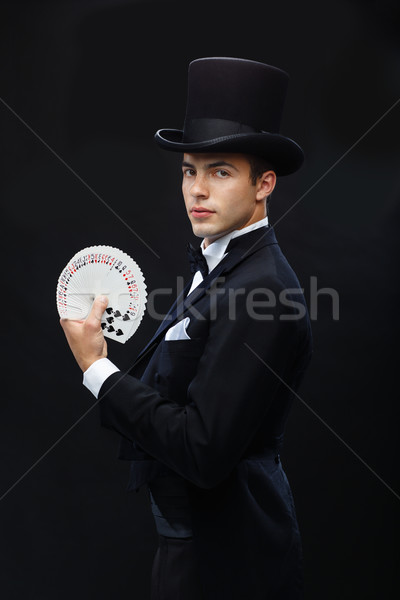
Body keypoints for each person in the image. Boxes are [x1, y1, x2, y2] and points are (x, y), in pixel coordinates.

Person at [60, 57, 313, 600]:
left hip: (232, 563)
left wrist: (97, 369)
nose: (197, 189)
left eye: (219, 171)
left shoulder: (261, 290)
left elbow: (202, 451)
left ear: (263, 183)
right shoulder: (223, 268)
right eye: (188, 170)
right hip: (192, 550)